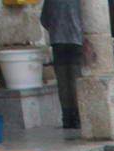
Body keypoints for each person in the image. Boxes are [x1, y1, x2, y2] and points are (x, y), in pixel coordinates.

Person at [41, 0, 83, 129]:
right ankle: (78, 116)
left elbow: (44, 19)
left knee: (63, 82)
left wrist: (55, 28)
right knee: (76, 79)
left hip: (58, 41)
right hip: (76, 41)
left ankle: (67, 117)